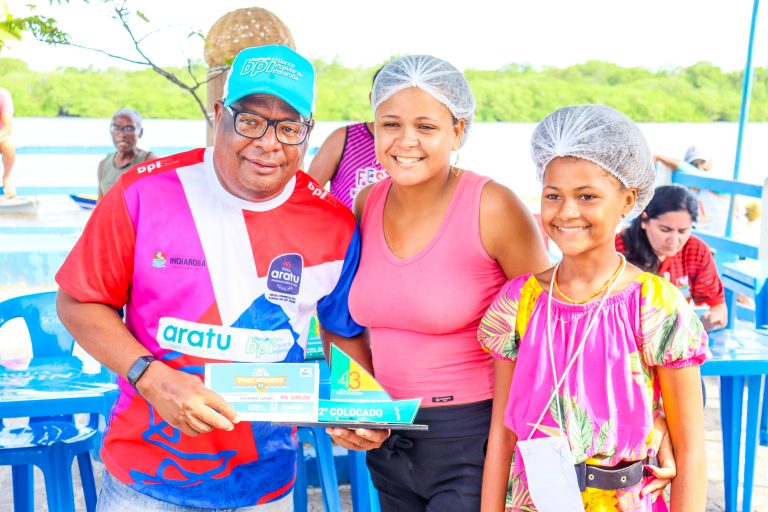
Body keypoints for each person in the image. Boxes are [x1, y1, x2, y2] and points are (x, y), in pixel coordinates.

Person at [55, 44, 385, 511]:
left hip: (264, 482)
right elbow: (78, 301)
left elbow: (342, 330)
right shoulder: (144, 191)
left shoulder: (333, 224)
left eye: (289, 127)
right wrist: (152, 378)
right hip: (144, 479)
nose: (268, 143)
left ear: (307, 134)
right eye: (250, 120)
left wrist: (358, 404)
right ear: (218, 116)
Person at [328, 54, 552, 511]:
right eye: (390, 124)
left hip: (473, 441)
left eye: (426, 126)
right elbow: (342, 323)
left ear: (458, 130)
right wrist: (356, 405)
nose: (405, 141)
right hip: (388, 439)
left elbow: (550, 327)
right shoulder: (366, 202)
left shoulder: (492, 206)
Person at [478, 105, 709, 511]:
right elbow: (503, 432)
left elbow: (690, 449)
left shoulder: (654, 305)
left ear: (628, 200)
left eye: (587, 196)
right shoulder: (518, 303)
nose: (567, 212)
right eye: (553, 195)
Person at [616, 184, 728, 331]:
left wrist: (711, 319)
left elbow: (718, 307)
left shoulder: (696, 251)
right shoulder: (616, 251)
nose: (674, 240)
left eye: (683, 231)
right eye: (665, 230)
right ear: (644, 220)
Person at [308, 67, 386, 208]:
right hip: (345, 222)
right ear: (372, 98)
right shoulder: (344, 138)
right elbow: (307, 193)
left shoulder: (414, 145)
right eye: (386, 95)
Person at [654, 146, 730, 235]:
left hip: (726, 239)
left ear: (710, 165)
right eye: (694, 164)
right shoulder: (686, 191)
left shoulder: (718, 184)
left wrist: (659, 157)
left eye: (702, 162)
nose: (699, 167)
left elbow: (692, 172)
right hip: (703, 238)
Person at [98, 109, 156, 200]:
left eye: (129, 128)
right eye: (116, 127)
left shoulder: (149, 163)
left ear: (140, 132)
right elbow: (100, 204)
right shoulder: (103, 165)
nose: (122, 134)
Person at [0, 87, 16, 199]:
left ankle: (6, 177)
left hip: (1, 137)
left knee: (8, 144)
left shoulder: (3, 96)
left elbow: (7, 128)